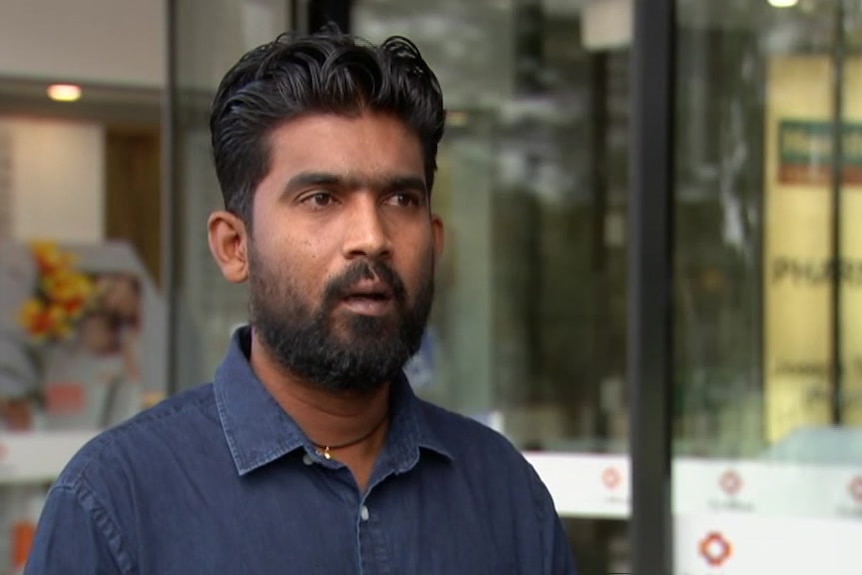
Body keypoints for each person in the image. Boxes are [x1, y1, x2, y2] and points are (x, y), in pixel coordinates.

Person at [24, 29, 578, 574]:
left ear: (434, 241)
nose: (372, 236)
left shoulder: (503, 492)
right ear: (234, 246)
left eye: (400, 198)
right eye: (321, 198)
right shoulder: (117, 504)